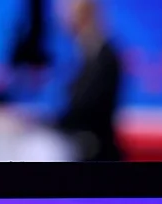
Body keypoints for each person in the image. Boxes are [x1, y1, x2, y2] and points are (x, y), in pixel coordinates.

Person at [55, 0, 123, 162]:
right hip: (79, 141)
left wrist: (49, 124)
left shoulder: (104, 57)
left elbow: (85, 108)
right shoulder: (83, 54)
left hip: (95, 149)